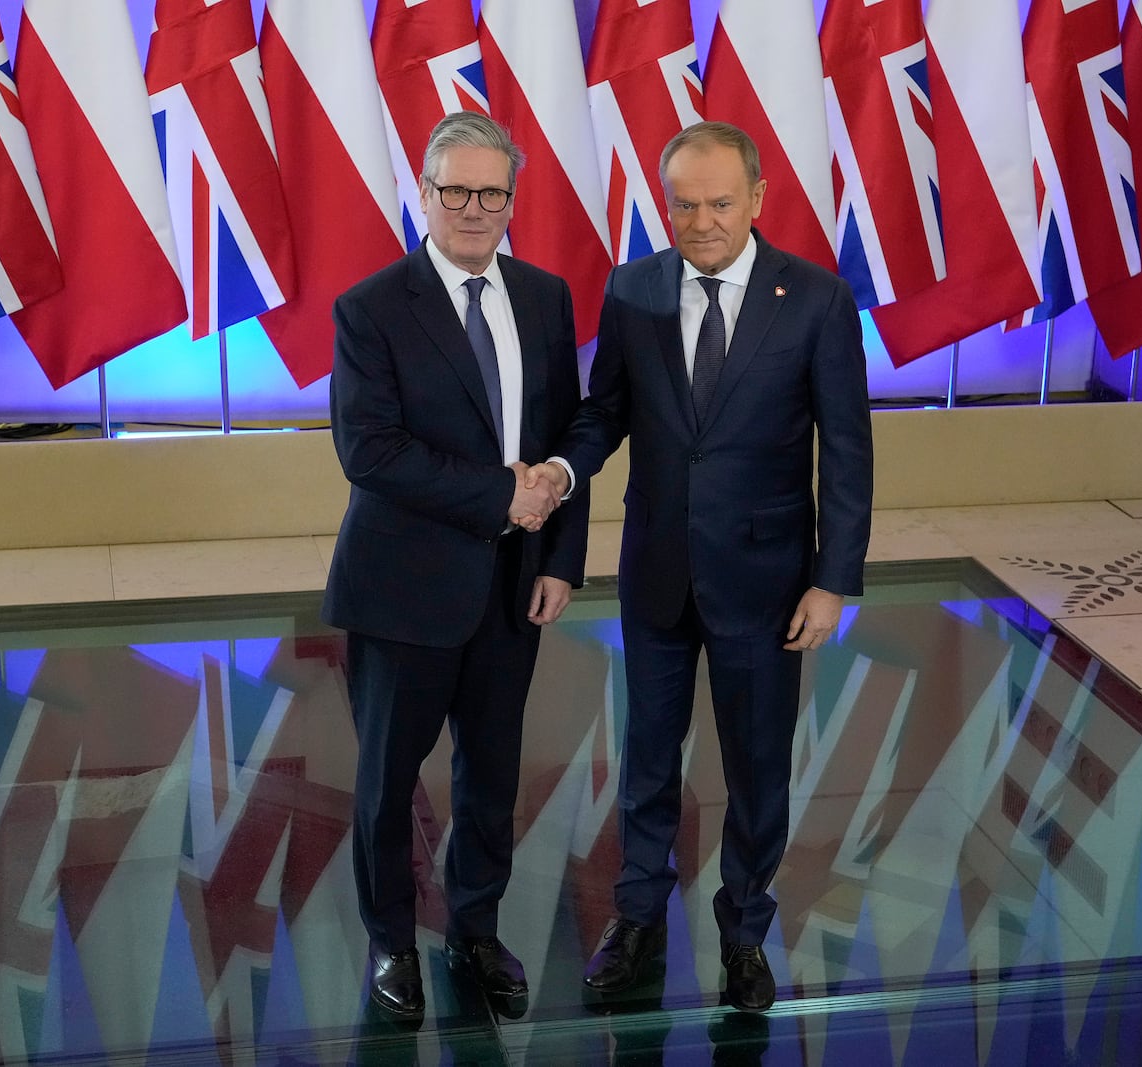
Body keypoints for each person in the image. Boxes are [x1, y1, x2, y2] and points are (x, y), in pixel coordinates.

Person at [527, 121, 873, 1013]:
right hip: (657, 574)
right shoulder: (634, 288)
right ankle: (637, 915)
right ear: (664, 201)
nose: (702, 221)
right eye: (684, 203)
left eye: (721, 203)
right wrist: (564, 467)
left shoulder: (818, 300)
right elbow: (606, 411)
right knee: (645, 757)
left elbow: (847, 450)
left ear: (758, 199)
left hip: (768, 583)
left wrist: (833, 579)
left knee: (758, 767)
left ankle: (745, 928)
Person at [322, 111, 589, 1022]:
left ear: (513, 200)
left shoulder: (547, 297)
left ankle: (476, 926)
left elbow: (560, 444)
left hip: (515, 589)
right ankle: (392, 940)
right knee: (388, 782)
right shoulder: (370, 308)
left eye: (492, 193)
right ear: (422, 194)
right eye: (456, 191)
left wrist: (561, 557)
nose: (475, 208)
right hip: (402, 591)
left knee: (491, 772)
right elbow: (371, 451)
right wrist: (497, 498)